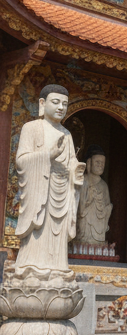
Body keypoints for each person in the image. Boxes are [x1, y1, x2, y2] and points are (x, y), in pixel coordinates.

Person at [14, 84, 85, 278]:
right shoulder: (32, 128)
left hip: (61, 191)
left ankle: (58, 267)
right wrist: (48, 155)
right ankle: (32, 267)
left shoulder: (67, 134)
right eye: (56, 102)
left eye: (65, 104)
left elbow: (71, 161)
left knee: (58, 233)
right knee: (40, 229)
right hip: (40, 190)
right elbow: (21, 161)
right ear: (42, 103)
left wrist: (76, 170)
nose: (61, 107)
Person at [76, 145, 112, 244]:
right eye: (97, 162)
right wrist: (89, 196)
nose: (100, 165)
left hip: (99, 227)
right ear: (89, 163)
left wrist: (106, 210)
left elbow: (107, 206)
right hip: (84, 227)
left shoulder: (104, 185)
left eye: (103, 163)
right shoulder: (83, 181)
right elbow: (80, 209)